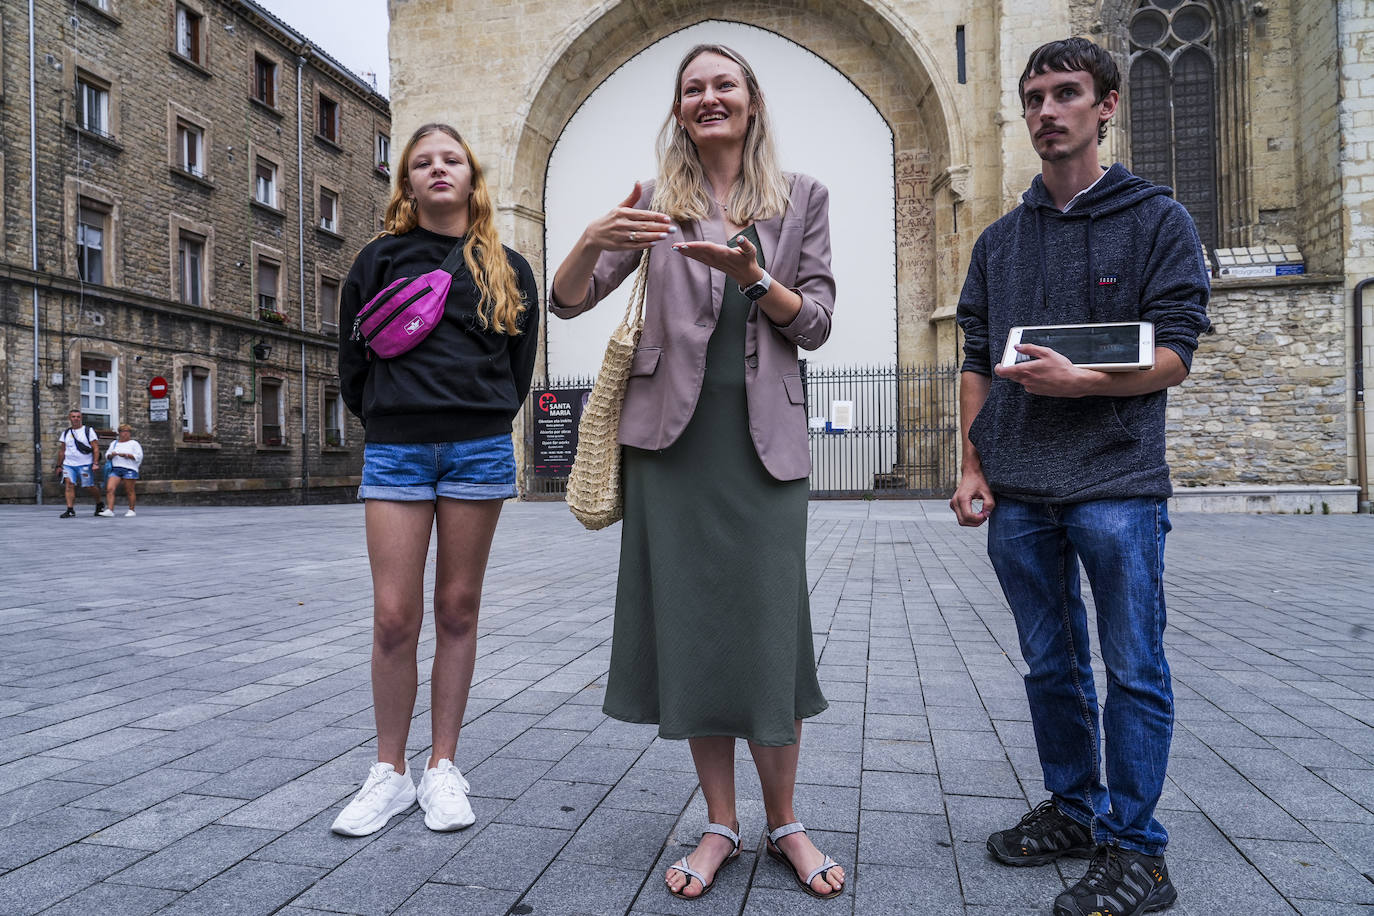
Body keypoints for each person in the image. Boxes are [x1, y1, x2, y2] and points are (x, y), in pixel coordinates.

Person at [550, 43, 844, 901]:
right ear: (679, 109)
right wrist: (591, 238)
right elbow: (568, 299)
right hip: (670, 450)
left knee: (769, 630)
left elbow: (817, 323)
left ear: (752, 102)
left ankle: (785, 822)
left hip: (763, 448)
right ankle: (721, 822)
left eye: (724, 85)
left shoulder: (801, 197)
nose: (708, 98)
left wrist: (755, 280)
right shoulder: (654, 203)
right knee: (694, 630)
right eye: (692, 89)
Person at [950, 37, 1210, 916]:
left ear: (1106, 106)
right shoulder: (1000, 241)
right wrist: (973, 463)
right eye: (1034, 98)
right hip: (1021, 491)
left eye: (1065, 94)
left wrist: (1084, 383)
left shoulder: (1158, 221)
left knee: (1133, 668)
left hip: (1117, 485)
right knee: (1049, 666)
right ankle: (1074, 808)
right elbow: (976, 360)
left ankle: (1139, 852)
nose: (1046, 112)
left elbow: (1176, 355)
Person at [332, 123, 539, 837]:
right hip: (397, 451)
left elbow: (518, 369)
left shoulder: (508, 267)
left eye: (451, 159)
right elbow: (352, 363)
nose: (438, 169)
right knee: (394, 617)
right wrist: (392, 416)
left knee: (456, 609)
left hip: (478, 450)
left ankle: (442, 766)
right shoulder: (377, 259)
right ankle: (389, 773)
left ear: (472, 177)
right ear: (408, 183)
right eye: (423, 162)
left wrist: (480, 416)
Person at [54, 409, 103, 518]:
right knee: (69, 484)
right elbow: (62, 450)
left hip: (85, 464)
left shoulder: (88, 431)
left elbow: (95, 448)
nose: (75, 419)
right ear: (69, 418)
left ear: (81, 418)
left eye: (78, 417)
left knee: (88, 486)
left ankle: (99, 503)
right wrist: (59, 465)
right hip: (69, 464)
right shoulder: (66, 433)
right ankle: (70, 509)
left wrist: (95, 463)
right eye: (73, 417)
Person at [99, 424, 143, 517]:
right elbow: (107, 455)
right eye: (123, 431)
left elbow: (139, 457)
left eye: (128, 431)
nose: (125, 433)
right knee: (110, 488)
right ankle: (110, 510)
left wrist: (126, 455)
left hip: (129, 468)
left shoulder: (134, 443)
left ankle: (131, 510)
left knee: (129, 490)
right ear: (119, 433)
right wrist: (112, 455)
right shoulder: (114, 443)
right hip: (116, 468)